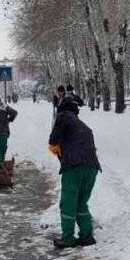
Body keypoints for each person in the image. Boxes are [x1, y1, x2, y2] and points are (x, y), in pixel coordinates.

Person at [48, 99, 101, 249]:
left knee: (68, 203)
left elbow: (53, 141)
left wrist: (57, 149)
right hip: (92, 167)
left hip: (74, 167)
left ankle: (68, 238)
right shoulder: (84, 126)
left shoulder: (63, 118)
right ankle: (86, 236)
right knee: (81, 203)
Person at [0, 94, 18, 165]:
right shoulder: (3, 106)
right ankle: (0, 163)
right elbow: (14, 113)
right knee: (2, 148)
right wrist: (9, 120)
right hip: (3, 132)